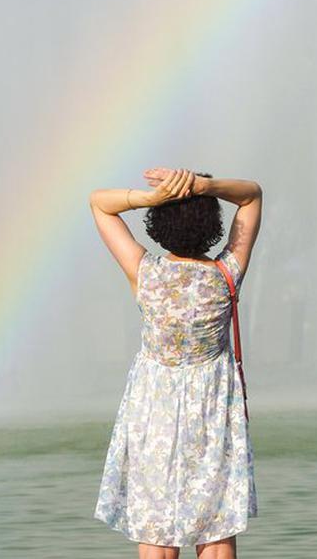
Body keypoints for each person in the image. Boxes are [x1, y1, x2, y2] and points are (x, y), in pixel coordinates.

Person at [91, 167, 262, 559]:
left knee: (157, 531)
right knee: (216, 527)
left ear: (158, 223)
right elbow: (252, 195)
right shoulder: (226, 274)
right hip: (213, 413)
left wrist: (150, 197)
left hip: (154, 414)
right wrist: (206, 187)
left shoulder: (146, 272)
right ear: (213, 225)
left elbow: (99, 205)